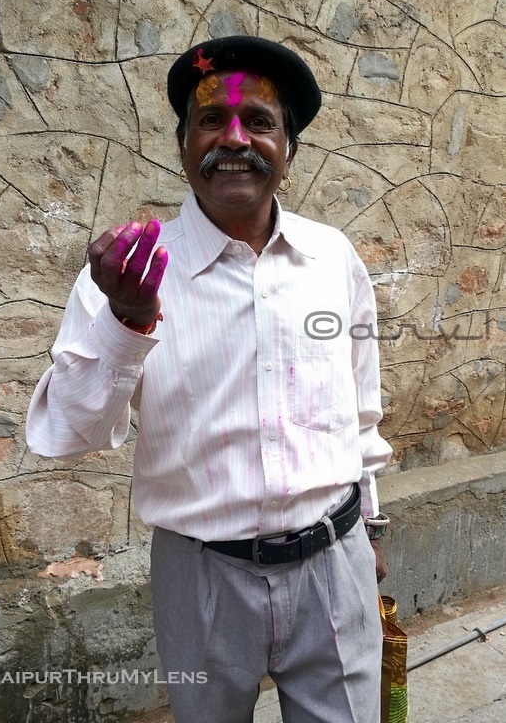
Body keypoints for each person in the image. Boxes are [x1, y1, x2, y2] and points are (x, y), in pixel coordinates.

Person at [27, 35, 392, 723]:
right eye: (209, 121)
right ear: (183, 144)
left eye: (257, 121)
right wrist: (127, 322)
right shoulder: (128, 272)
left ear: (290, 149)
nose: (234, 138)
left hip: (334, 562)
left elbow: (360, 407)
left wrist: (370, 529)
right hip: (201, 578)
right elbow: (65, 436)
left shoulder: (332, 259)